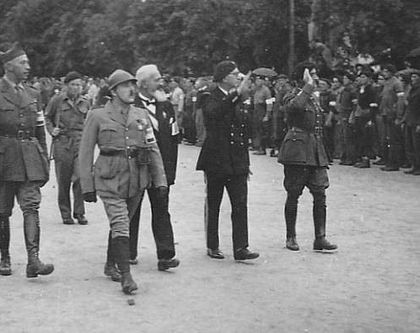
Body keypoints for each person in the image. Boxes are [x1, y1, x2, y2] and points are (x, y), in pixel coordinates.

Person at [79, 69, 167, 294]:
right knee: (120, 221)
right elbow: (86, 152)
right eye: (126, 86)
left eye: (134, 85)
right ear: (114, 91)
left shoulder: (140, 114)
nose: (132, 90)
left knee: (123, 223)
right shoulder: (97, 115)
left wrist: (160, 181)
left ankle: (110, 265)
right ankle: (126, 276)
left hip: (136, 178)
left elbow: (152, 147)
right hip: (109, 177)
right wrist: (87, 186)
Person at [196, 60, 259, 261]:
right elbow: (215, 113)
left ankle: (241, 247)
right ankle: (212, 245)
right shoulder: (208, 96)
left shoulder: (239, 98)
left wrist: (245, 162)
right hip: (216, 158)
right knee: (214, 202)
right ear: (224, 77)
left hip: (237, 159)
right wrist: (235, 95)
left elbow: (243, 129)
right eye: (234, 73)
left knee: (240, 203)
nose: (238, 76)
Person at [0, 43, 54, 277]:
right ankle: (4, 257)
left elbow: (41, 131)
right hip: (4, 158)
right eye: (23, 62)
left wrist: (44, 159)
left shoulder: (34, 94)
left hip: (30, 159)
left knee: (31, 207)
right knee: (2, 211)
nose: (28, 67)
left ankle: (33, 260)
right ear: (8, 66)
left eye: (28, 63)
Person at [278, 63, 337, 252]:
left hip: (315, 150)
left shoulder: (313, 97)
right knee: (293, 193)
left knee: (320, 194)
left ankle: (320, 237)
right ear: (300, 77)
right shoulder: (293, 94)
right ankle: (291, 237)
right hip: (297, 150)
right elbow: (294, 108)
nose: (316, 77)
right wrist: (308, 86)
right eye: (311, 74)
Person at [129, 64, 180, 271]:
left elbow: (174, 139)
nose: (161, 82)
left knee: (162, 209)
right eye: (156, 78)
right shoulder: (130, 105)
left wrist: (170, 173)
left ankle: (166, 255)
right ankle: (129, 252)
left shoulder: (165, 106)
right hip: (137, 167)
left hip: (160, 169)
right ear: (143, 83)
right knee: (132, 209)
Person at [45, 71, 90, 225]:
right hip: (62, 143)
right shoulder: (57, 100)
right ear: (66, 85)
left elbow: (89, 121)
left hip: (80, 142)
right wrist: (52, 130)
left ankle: (79, 212)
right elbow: (47, 117)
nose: (76, 88)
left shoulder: (85, 102)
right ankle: (65, 213)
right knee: (63, 180)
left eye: (79, 85)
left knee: (79, 178)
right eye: (73, 85)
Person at [379, 64, 405, 171]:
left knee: (394, 140)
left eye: (385, 71)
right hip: (385, 113)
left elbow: (400, 100)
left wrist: (398, 115)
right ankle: (389, 161)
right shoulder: (387, 83)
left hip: (393, 114)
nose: (384, 73)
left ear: (390, 72)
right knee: (388, 139)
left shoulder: (396, 83)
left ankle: (395, 163)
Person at [403, 70, 420, 175]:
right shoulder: (412, 89)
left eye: (415, 77)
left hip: (416, 120)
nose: (413, 79)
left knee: (417, 145)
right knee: (410, 144)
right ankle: (414, 165)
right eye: (412, 77)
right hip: (409, 119)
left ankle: (418, 166)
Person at [252, 75, 273, 155]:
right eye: (257, 80)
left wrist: (267, 114)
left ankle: (262, 148)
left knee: (262, 130)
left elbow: (269, 103)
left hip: (262, 110)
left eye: (260, 80)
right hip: (256, 110)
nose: (258, 82)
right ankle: (257, 146)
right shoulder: (256, 89)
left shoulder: (266, 90)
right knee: (257, 128)